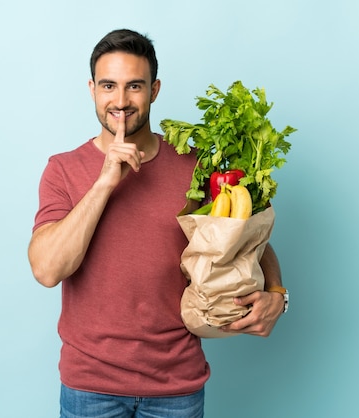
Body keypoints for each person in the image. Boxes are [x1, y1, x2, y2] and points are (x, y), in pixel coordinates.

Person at [28, 28, 286, 418]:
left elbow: (252, 241)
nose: (120, 100)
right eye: (108, 86)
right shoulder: (63, 170)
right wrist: (104, 182)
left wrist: (279, 296)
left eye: (134, 86)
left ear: (155, 90)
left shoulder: (195, 166)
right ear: (92, 89)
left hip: (176, 387)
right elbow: (47, 270)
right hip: (90, 387)